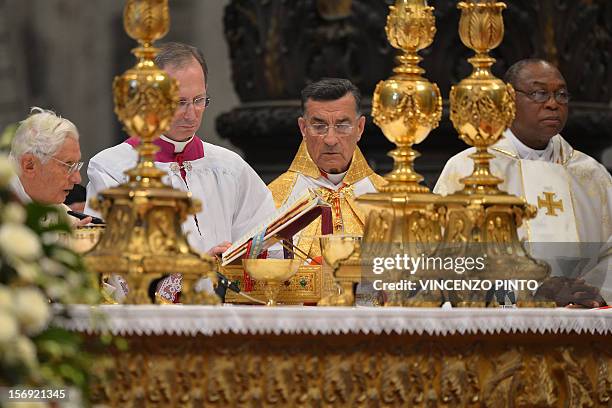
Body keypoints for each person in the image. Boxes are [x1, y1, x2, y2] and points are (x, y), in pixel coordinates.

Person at [434, 59, 611, 307]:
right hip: (502, 327)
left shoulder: (591, 175)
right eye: (539, 94)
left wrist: (592, 292)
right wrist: (531, 293)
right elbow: (448, 259)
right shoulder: (469, 169)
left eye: (561, 95)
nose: (553, 104)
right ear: (508, 99)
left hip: (583, 322)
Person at [85, 42, 276, 257]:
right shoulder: (112, 170)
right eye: (179, 102)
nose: (191, 114)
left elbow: (268, 240)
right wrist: (195, 272)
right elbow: (110, 262)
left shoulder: (229, 167)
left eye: (198, 100)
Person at [269, 78, 386, 262]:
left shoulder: (388, 198)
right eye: (319, 126)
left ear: (360, 128)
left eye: (342, 125)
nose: (330, 139)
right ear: (303, 128)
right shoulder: (273, 200)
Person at [9, 107, 91, 226]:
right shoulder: (4, 210)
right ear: (29, 166)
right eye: (68, 166)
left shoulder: (61, 212)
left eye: (76, 165)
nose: (77, 179)